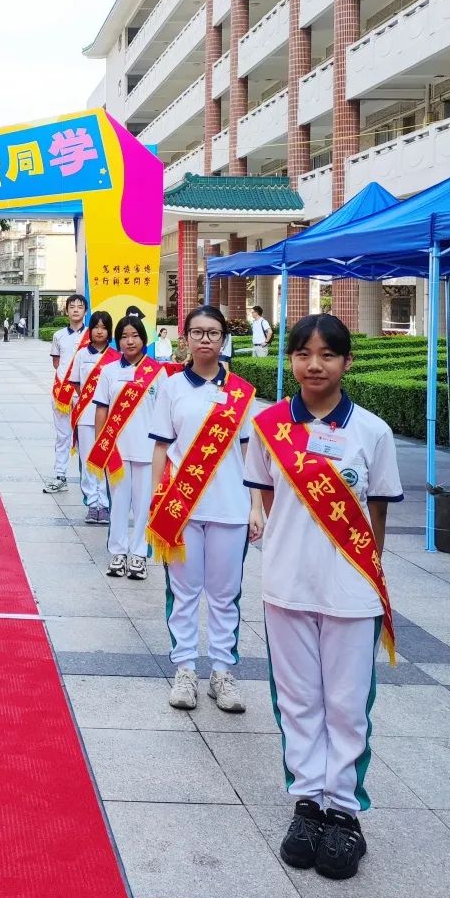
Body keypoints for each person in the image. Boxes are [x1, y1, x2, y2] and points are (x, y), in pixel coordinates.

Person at [246, 313, 401, 881]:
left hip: (351, 592)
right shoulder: (268, 427)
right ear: (290, 359)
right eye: (304, 354)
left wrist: (366, 575)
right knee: (297, 701)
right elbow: (267, 500)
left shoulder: (373, 432)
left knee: (347, 703)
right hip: (287, 585)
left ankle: (344, 812)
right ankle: (308, 801)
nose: (315, 365)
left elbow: (376, 515)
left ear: (346, 362)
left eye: (328, 354)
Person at [147, 304, 255, 714]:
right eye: (197, 332)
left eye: (213, 332)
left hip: (231, 506)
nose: (205, 339)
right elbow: (161, 446)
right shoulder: (172, 387)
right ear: (186, 338)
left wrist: (257, 507)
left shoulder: (241, 392)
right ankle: (186, 669)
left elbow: (249, 453)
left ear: (224, 338)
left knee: (226, 595)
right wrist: (156, 498)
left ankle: (223, 672)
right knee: (184, 591)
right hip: (182, 507)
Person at [91, 315, 162, 578]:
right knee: (119, 505)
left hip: (148, 451)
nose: (129, 341)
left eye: (134, 335)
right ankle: (118, 553)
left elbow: (165, 414)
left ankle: (139, 555)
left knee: (144, 506)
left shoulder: (158, 372)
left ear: (144, 338)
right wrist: (101, 445)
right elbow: (101, 409)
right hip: (117, 452)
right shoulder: (109, 371)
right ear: (117, 341)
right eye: (123, 336)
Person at [67, 310, 117, 523]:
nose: (99, 331)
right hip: (87, 415)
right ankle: (92, 502)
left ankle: (104, 504)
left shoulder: (116, 357)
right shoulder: (82, 355)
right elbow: (76, 383)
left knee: (105, 459)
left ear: (109, 331)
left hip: (110, 417)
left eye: (104, 327)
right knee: (88, 459)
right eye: (96, 326)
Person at [45, 294, 89, 494]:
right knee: (62, 435)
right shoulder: (58, 336)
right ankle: (60, 475)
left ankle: (89, 481)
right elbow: (57, 363)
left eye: (80, 306)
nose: (76, 309)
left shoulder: (91, 335)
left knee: (86, 438)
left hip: (84, 394)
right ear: (67, 311)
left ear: (85, 311)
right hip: (62, 393)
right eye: (72, 306)